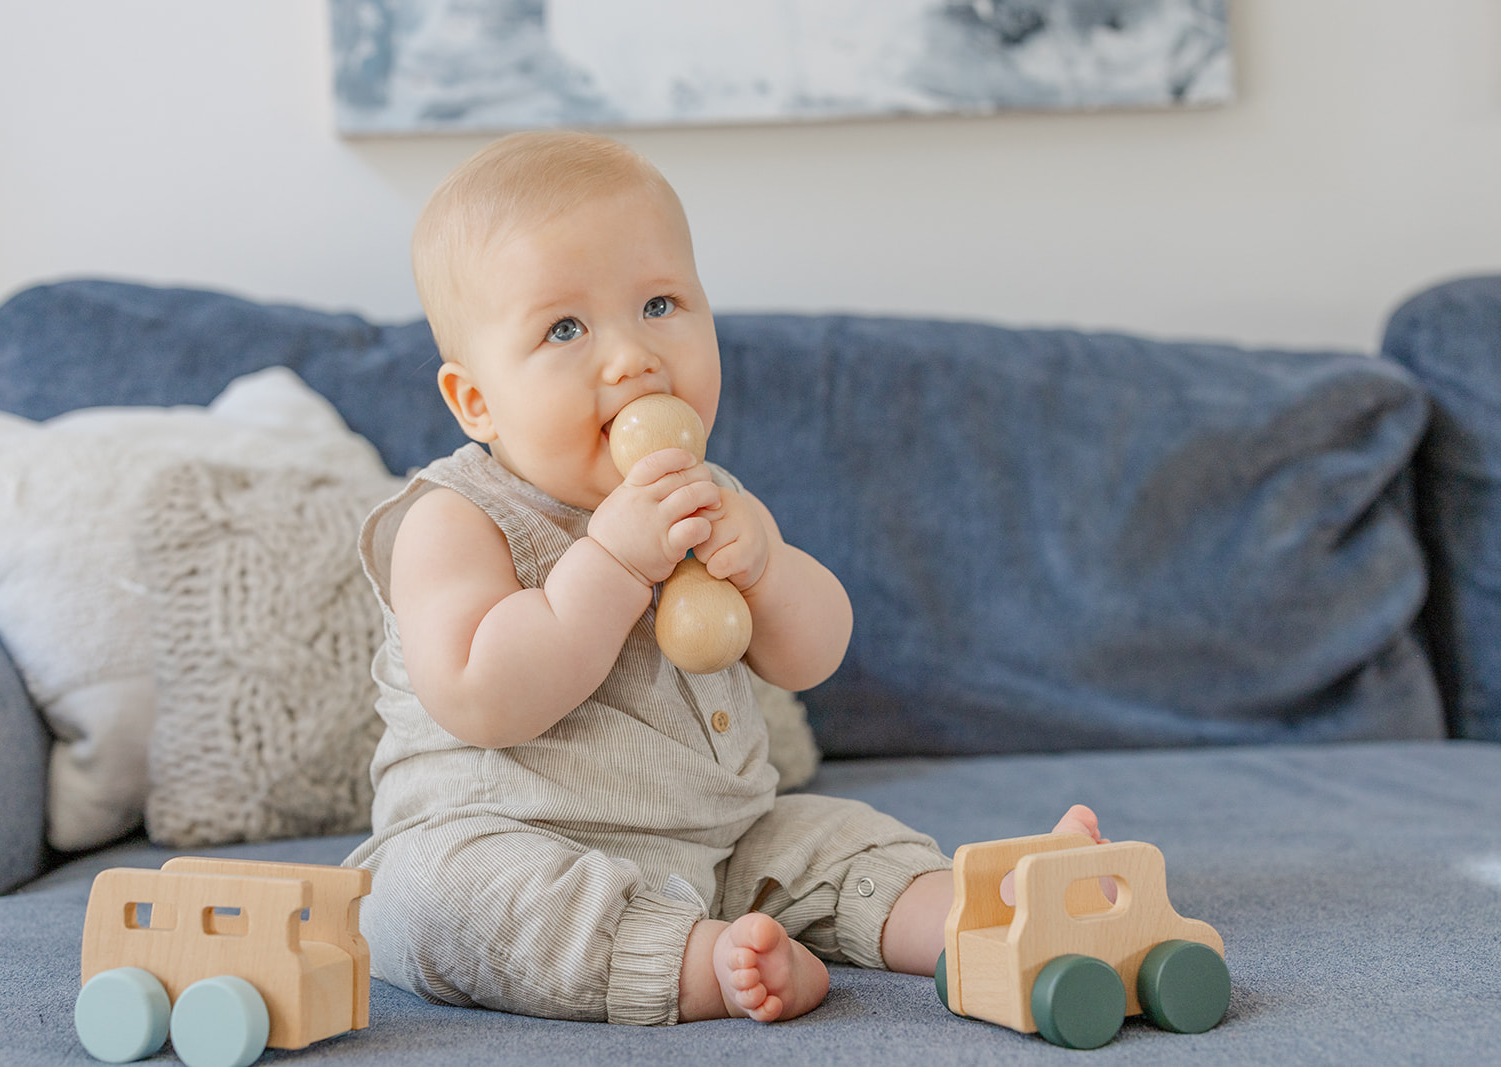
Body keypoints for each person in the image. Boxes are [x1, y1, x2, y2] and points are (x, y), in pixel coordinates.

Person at [344, 130, 1106, 1026]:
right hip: (510, 838)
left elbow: (812, 654)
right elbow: (482, 693)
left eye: (660, 304)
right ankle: (703, 961)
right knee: (435, 899)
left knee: (837, 836)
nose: (632, 357)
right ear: (475, 401)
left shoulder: (707, 497)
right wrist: (617, 563)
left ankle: (986, 914)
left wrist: (770, 568)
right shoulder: (453, 517)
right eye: (564, 328)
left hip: (723, 835)